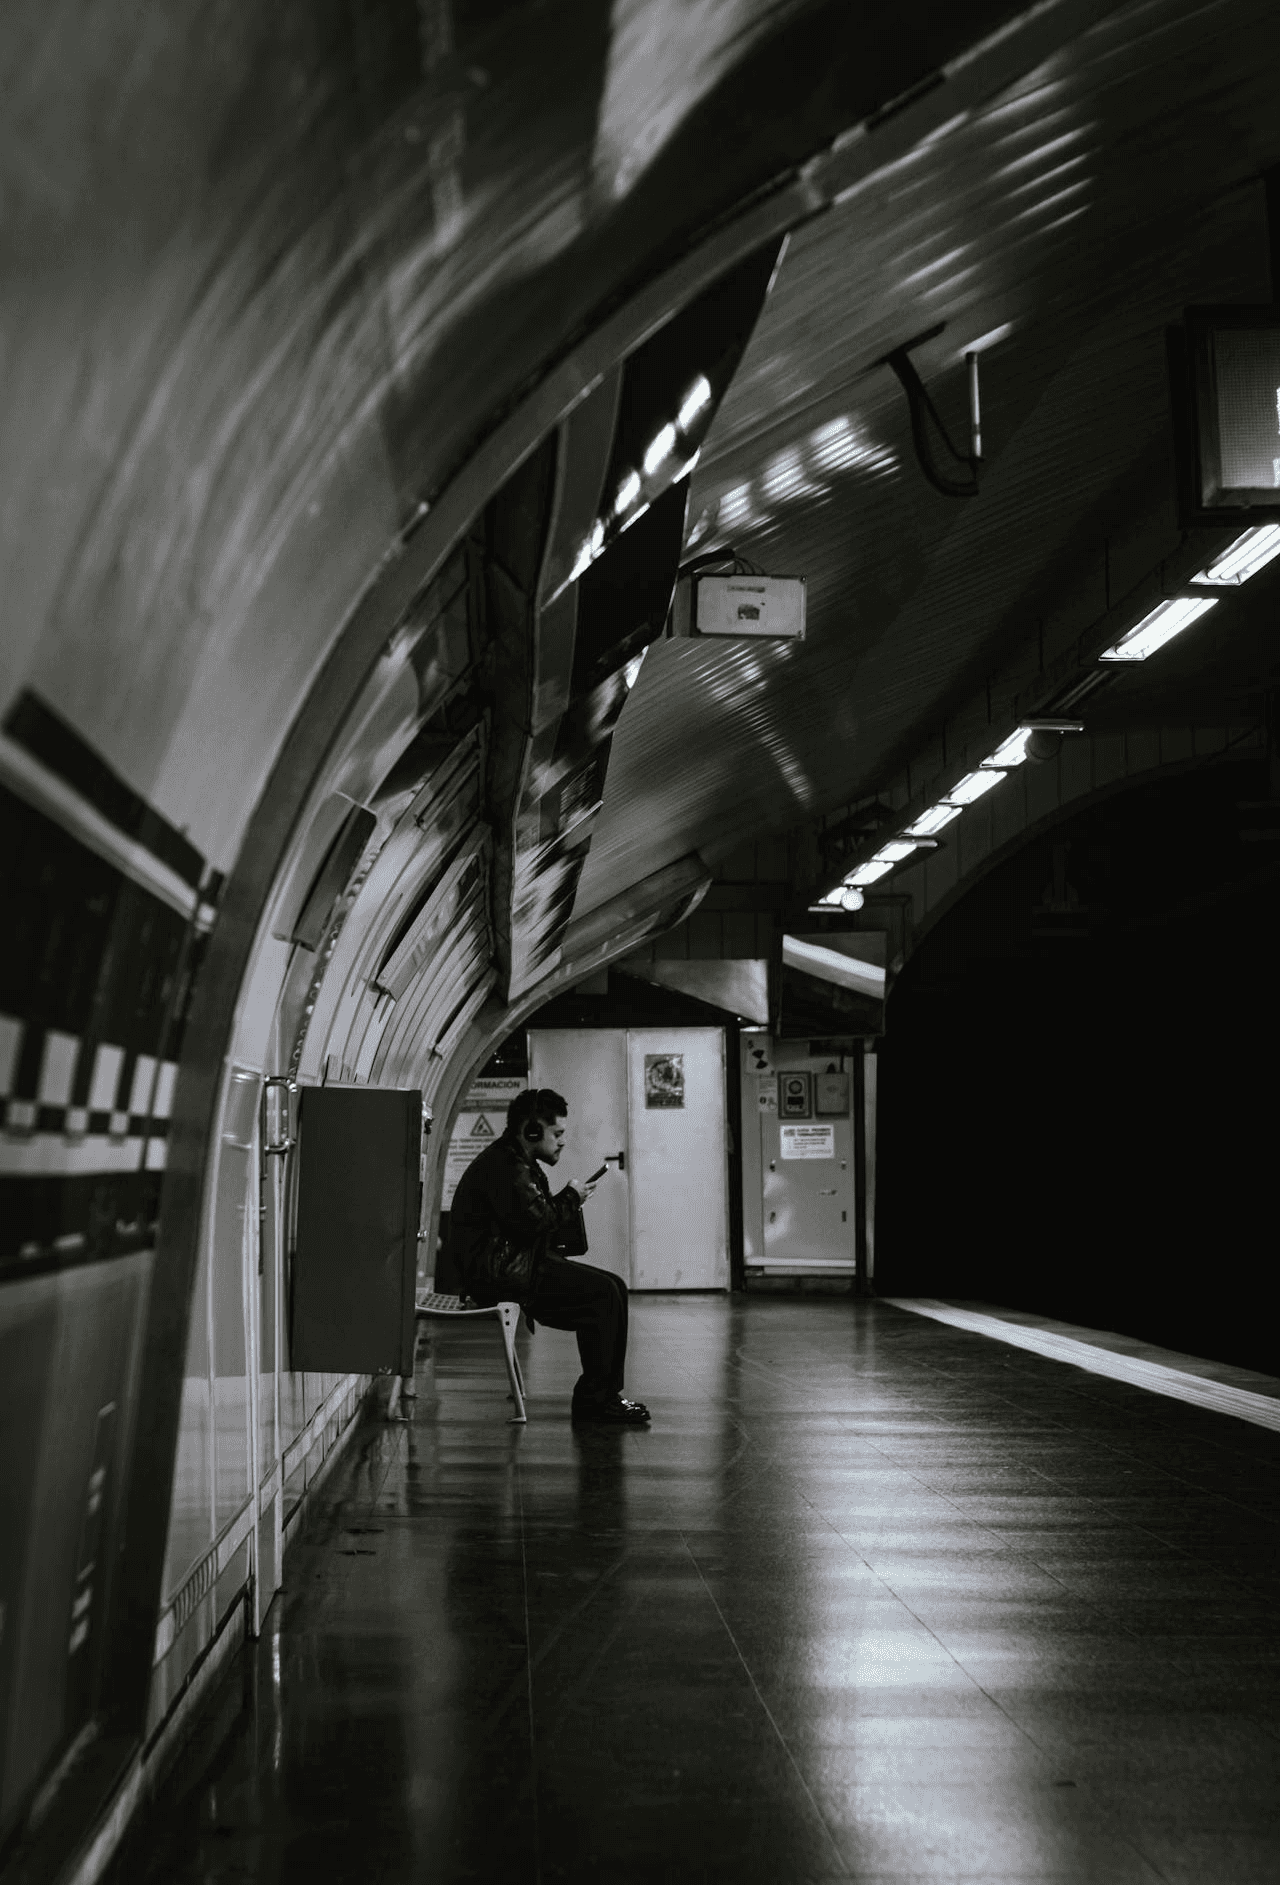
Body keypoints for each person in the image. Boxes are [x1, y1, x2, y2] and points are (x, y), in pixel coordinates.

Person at [449, 1087, 650, 1425]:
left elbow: (531, 1218)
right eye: (556, 1133)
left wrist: (569, 1200)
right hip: (504, 1275)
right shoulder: (507, 1167)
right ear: (531, 1130)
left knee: (614, 1286)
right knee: (603, 1295)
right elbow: (536, 1221)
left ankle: (603, 1395)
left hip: (513, 1265)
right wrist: (571, 1197)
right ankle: (596, 1400)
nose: (561, 1141)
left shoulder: (513, 1161)